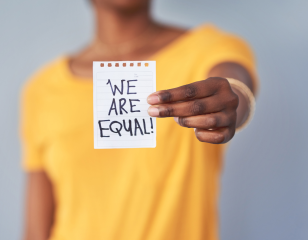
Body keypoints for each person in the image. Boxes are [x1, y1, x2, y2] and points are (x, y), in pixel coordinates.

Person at [21, 0, 258, 240]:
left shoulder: (208, 50)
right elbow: (36, 231)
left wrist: (234, 101)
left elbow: (235, 87)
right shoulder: (43, 90)